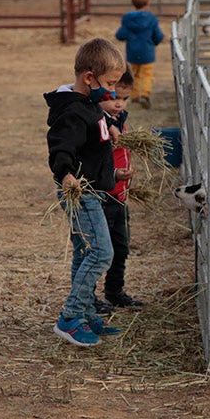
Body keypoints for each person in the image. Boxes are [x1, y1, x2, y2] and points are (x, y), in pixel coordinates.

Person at [44, 37, 127, 347]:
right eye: (109, 83)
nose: (111, 91)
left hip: (92, 186)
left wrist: (114, 171)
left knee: (84, 251)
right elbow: (61, 145)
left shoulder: (91, 106)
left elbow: (94, 145)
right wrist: (65, 173)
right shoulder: (71, 112)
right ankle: (70, 317)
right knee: (102, 252)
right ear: (89, 77)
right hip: (79, 191)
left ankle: (87, 312)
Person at [95, 67, 144, 314]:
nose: (119, 104)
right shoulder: (97, 124)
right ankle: (90, 297)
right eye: (114, 98)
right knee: (98, 250)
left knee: (120, 247)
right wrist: (115, 175)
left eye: (124, 99)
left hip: (119, 195)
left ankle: (114, 291)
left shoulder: (120, 121)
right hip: (102, 195)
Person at [115, 0, 165, 109]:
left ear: (133, 2)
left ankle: (135, 95)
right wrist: (157, 40)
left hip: (132, 53)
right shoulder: (152, 19)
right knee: (147, 74)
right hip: (147, 53)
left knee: (133, 75)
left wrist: (122, 35)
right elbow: (157, 35)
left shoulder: (127, 18)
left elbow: (121, 35)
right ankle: (145, 94)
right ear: (148, 1)